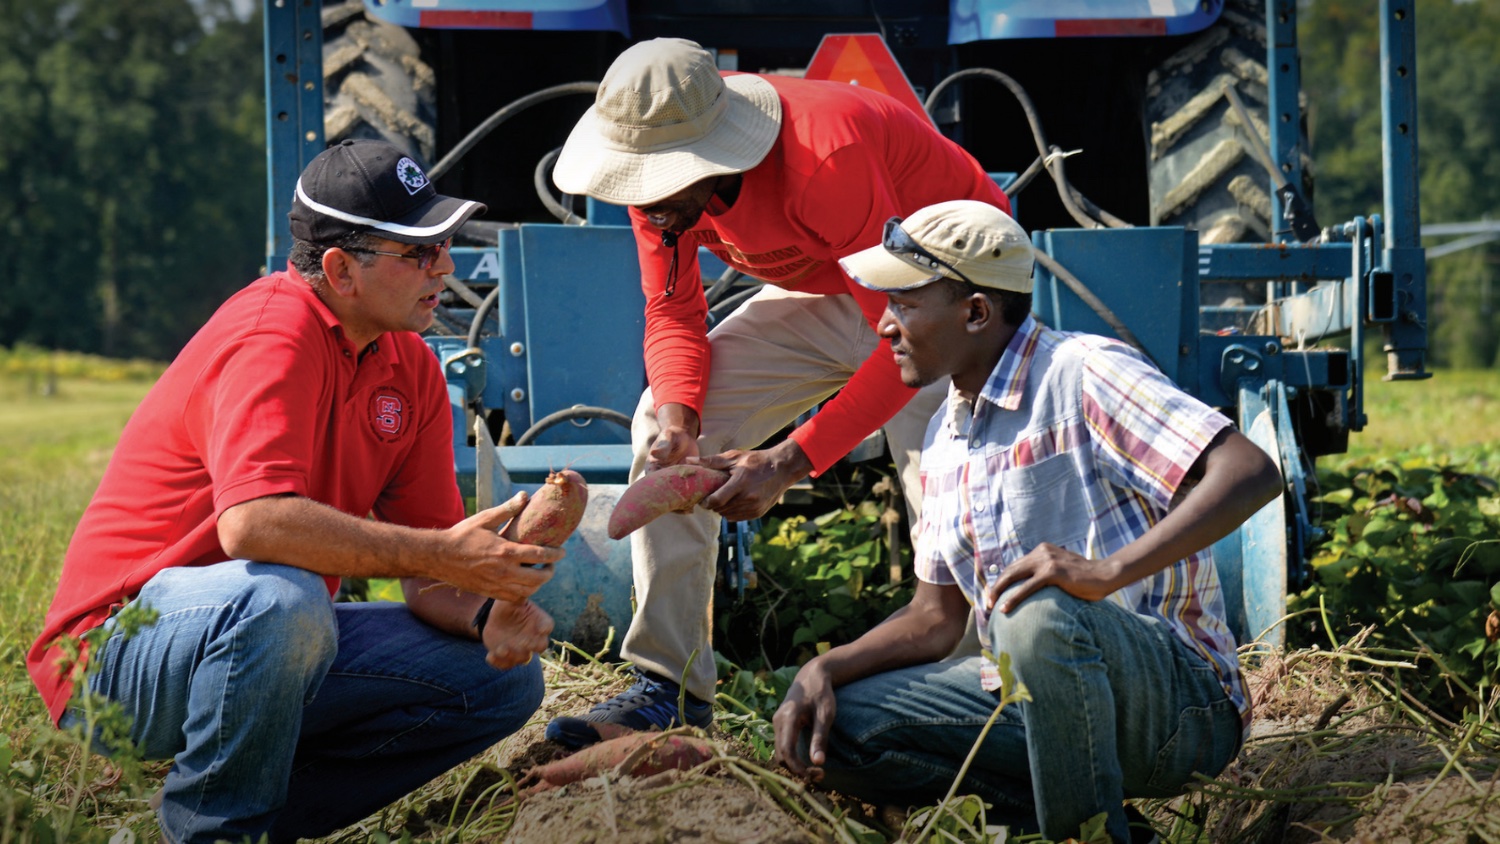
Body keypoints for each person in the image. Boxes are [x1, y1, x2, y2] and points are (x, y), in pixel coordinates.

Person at [27, 139, 563, 844]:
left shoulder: (413, 367)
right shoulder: (271, 335)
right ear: (340, 269)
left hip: (260, 637)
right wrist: (443, 553)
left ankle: (234, 823)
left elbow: (434, 578)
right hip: (114, 653)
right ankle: (215, 833)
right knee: (283, 599)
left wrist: (481, 614)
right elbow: (253, 529)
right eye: (419, 252)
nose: (446, 267)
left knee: (501, 684)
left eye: (444, 244)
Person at [545, 38, 1014, 746]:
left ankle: (982, 699)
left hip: (950, 296)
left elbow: (905, 344)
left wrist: (792, 460)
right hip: (838, 289)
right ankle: (666, 687)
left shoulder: (824, 160)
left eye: (660, 185)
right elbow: (673, 311)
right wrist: (681, 416)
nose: (643, 203)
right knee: (655, 426)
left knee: (948, 478)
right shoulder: (656, 188)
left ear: (716, 156)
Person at [769, 200, 1283, 843]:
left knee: (1034, 611)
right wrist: (825, 669)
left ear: (976, 312)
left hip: (1179, 704)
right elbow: (935, 619)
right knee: (837, 725)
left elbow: (1251, 471)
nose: (884, 326)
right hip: (1035, 698)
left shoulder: (1083, 371)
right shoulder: (945, 433)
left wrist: (1106, 572)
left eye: (904, 303)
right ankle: (1106, 827)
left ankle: (1082, 838)